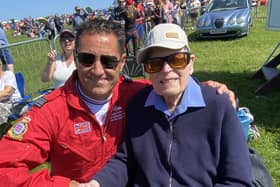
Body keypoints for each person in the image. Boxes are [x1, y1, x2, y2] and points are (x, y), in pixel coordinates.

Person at [0, 19, 235, 187]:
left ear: (123, 62)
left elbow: (173, 81)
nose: (98, 70)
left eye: (109, 61)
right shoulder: (51, 111)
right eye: (87, 59)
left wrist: (209, 89)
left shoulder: (138, 94)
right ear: (76, 59)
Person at [77, 23, 252, 187]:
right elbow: (126, 160)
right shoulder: (138, 106)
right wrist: (96, 184)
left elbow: (237, 180)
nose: (166, 70)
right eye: (155, 64)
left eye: (177, 60)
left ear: (191, 64)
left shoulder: (219, 106)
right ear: (148, 71)